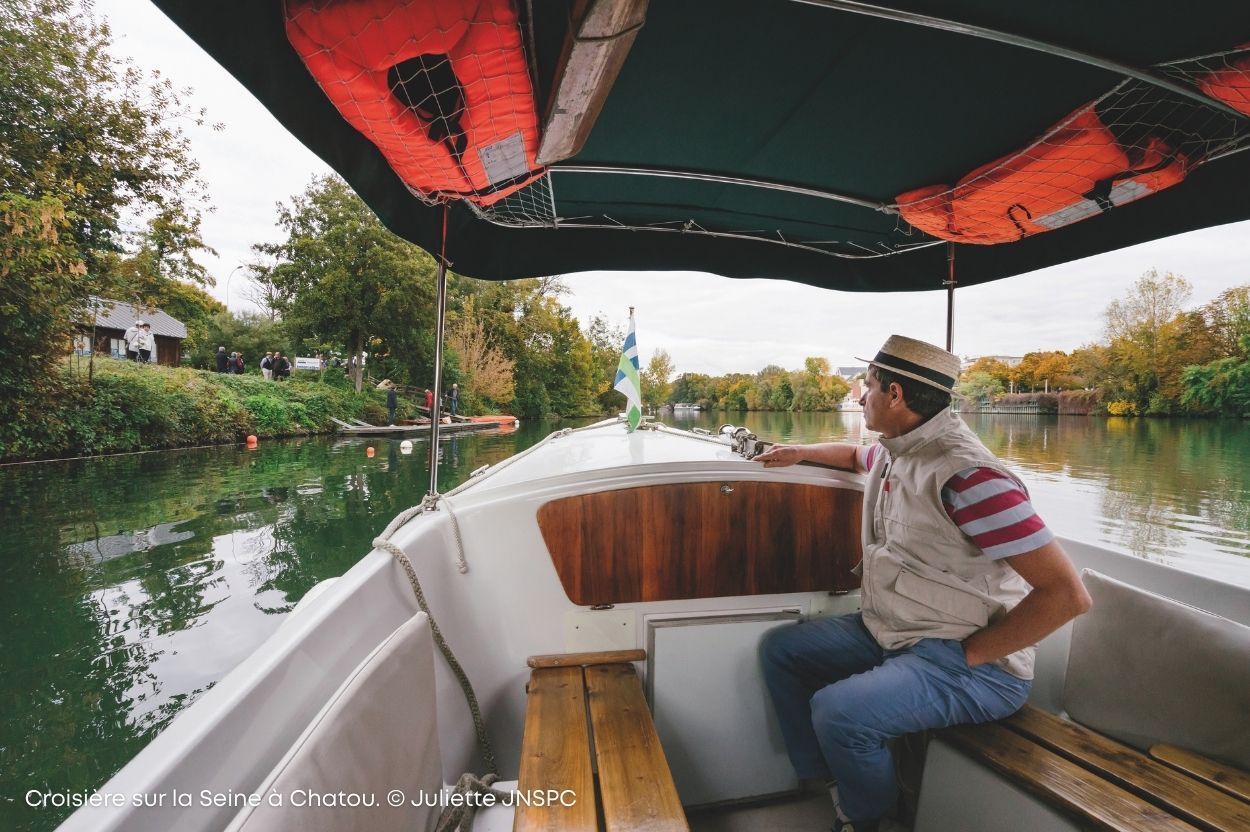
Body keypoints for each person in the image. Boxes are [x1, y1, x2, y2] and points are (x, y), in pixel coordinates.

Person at [754, 335, 1092, 832]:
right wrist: (797, 452)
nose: (858, 397)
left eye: (866, 387)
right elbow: (855, 459)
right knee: (784, 650)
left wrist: (968, 656)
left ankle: (868, 820)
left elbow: (1067, 596)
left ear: (894, 395)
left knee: (838, 713)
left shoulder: (970, 478)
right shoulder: (898, 450)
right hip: (898, 631)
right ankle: (830, 781)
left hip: (975, 663)